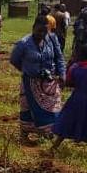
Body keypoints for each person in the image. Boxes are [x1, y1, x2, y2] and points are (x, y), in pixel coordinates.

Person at [10, 14, 66, 143]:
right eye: (39, 30)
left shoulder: (52, 39)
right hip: (31, 81)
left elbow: (59, 57)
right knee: (28, 109)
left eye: (45, 31)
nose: (42, 34)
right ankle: (25, 135)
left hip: (49, 82)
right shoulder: (24, 43)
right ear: (33, 28)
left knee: (53, 108)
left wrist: (62, 74)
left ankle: (48, 132)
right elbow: (14, 60)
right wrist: (26, 70)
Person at [50, 43, 87, 153]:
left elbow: (69, 82)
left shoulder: (74, 68)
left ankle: (54, 146)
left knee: (69, 120)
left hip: (76, 98)